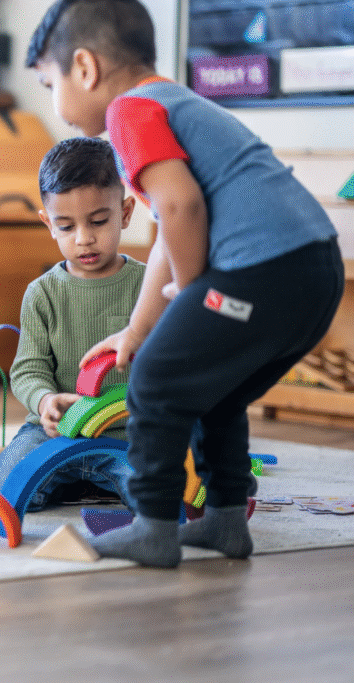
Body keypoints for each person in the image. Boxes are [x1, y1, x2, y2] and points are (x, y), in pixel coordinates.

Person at [27, 0, 343, 567]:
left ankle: (152, 524)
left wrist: (192, 295)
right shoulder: (171, 102)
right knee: (213, 388)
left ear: (85, 67)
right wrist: (139, 327)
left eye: (50, 83)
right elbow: (166, 237)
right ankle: (224, 521)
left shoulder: (129, 113)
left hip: (264, 267)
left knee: (155, 379)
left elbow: (181, 209)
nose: (55, 103)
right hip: (313, 271)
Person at [0, 136, 143, 510]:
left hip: (128, 434)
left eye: (99, 221)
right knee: (5, 483)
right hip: (54, 434)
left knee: (163, 490)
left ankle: (95, 482)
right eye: (67, 226)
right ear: (49, 224)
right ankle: (81, 482)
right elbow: (28, 369)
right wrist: (44, 401)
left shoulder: (146, 286)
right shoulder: (42, 293)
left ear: (124, 213)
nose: (84, 239)